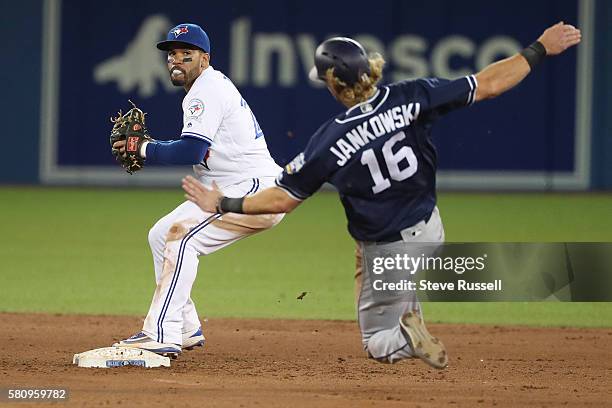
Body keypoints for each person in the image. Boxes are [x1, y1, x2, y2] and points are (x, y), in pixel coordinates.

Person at [182, 22, 581, 368]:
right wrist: (541, 47)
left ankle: (407, 335)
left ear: (334, 84)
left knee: (376, 344)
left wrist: (222, 203)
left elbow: (281, 199)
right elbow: (490, 84)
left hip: (387, 250)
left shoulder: (328, 140)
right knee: (391, 261)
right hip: (430, 230)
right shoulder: (412, 96)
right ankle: (417, 310)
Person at [111, 23, 284, 357]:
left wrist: (143, 147)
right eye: (172, 55)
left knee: (181, 237)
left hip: (254, 190)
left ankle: (160, 333)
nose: (177, 61)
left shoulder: (206, 89)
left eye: (186, 55)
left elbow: (190, 151)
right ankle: (185, 328)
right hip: (239, 185)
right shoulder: (205, 88)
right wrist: (148, 145)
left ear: (204, 59)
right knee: (162, 235)